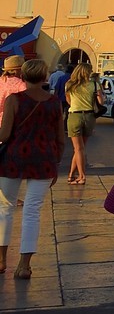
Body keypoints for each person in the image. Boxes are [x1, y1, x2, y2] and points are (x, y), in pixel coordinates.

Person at [0, 59, 66, 280]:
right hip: (43, 161)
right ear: (45, 77)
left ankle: (1, 261)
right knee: (32, 212)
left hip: (13, 159)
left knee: (4, 209)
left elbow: (4, 135)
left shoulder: (14, 100)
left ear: (24, 76)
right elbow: (60, 138)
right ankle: (24, 265)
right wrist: (56, 163)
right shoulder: (54, 102)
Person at [63, 64, 97, 184]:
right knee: (80, 148)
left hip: (74, 115)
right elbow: (100, 101)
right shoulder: (93, 84)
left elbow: (68, 100)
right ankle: (74, 175)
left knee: (78, 149)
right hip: (89, 116)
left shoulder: (69, 84)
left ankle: (79, 176)